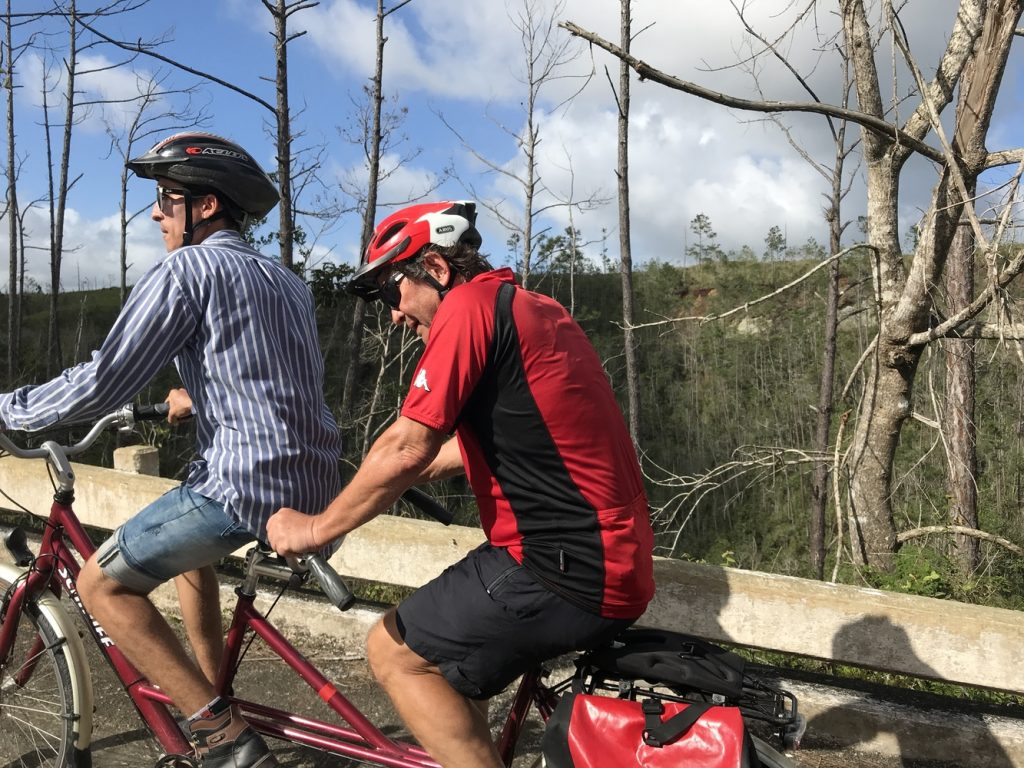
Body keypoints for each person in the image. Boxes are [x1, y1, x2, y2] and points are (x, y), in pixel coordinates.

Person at [267, 200, 654, 768]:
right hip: (608, 558)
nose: (393, 314)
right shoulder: (530, 307)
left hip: (556, 565)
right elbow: (510, 436)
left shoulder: (468, 308)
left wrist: (314, 528)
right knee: (446, 664)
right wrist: (381, 483)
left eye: (390, 290)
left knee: (394, 651)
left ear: (438, 270)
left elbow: (407, 444)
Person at [0, 132, 341, 768]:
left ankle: (223, 740)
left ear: (205, 206)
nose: (156, 213)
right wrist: (199, 394)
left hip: (244, 484)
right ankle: (212, 695)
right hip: (315, 483)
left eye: (165, 199)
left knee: (103, 585)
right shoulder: (285, 280)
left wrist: (11, 409)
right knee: (190, 560)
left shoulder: (189, 270)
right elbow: (269, 374)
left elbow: (106, 379)